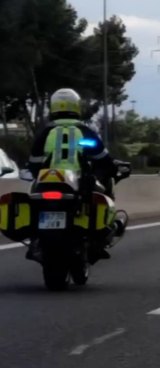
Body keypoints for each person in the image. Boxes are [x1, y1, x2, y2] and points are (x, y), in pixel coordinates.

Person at [27, 88, 118, 261]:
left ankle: (36, 240)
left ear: (52, 107)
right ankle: (96, 241)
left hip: (47, 182)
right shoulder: (85, 132)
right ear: (76, 106)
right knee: (99, 197)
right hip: (80, 182)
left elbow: (34, 163)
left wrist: (35, 171)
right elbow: (103, 159)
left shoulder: (45, 134)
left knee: (34, 198)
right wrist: (110, 170)